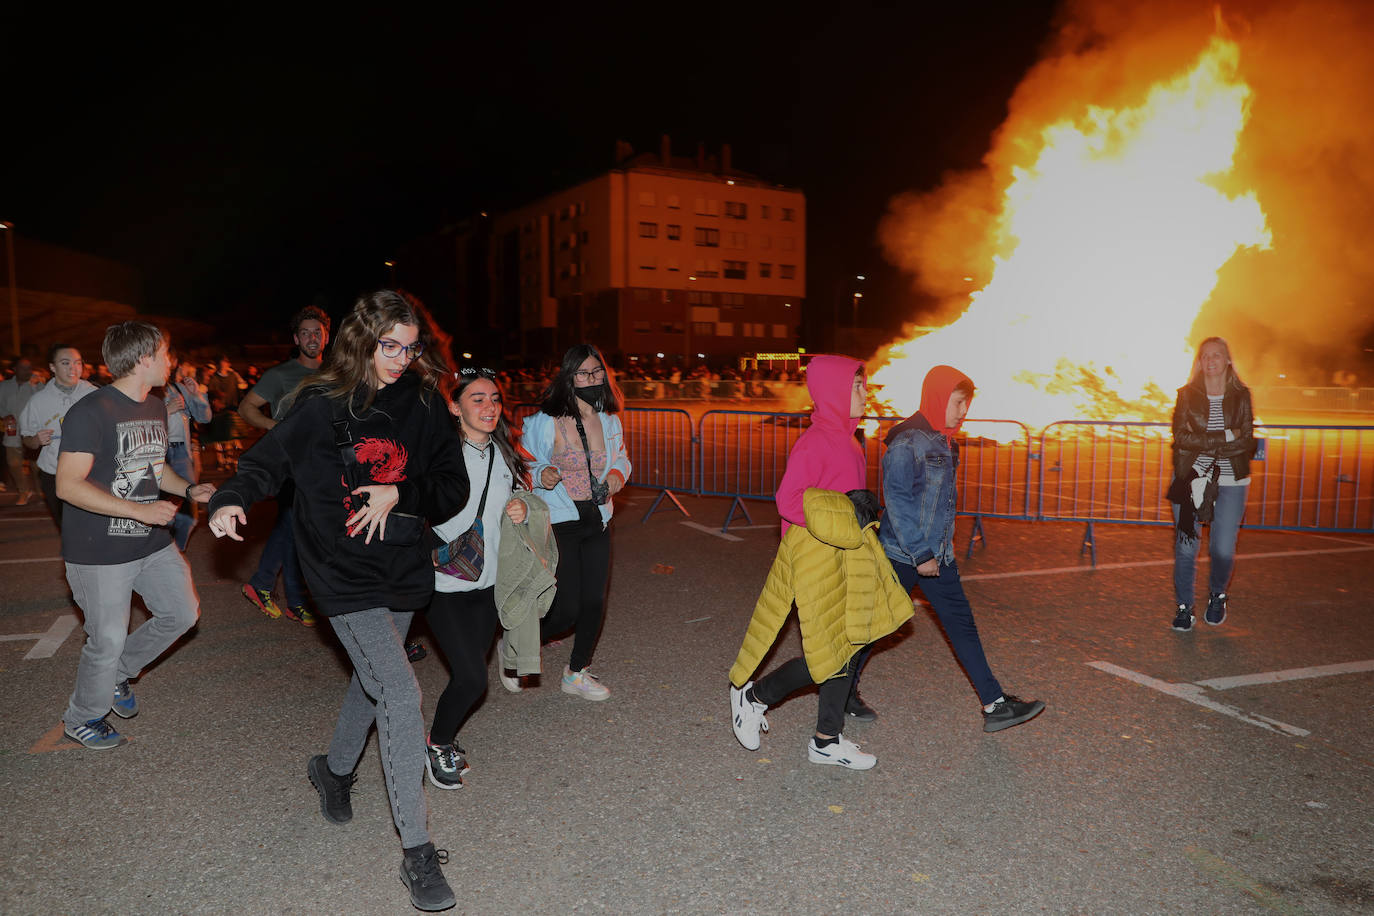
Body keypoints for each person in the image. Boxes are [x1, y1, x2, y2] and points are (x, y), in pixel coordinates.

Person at [207, 290, 468, 912]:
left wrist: (396, 490)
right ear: (362, 340)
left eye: (410, 347)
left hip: (402, 564)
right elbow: (264, 463)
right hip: (338, 570)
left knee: (374, 681)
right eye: (389, 346)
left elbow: (451, 487)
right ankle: (418, 851)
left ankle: (334, 770)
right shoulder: (319, 405)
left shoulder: (426, 404)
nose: (401, 359)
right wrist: (229, 498)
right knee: (402, 691)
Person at [728, 355, 900, 769]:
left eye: (864, 385)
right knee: (831, 654)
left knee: (848, 646)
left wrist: (860, 515)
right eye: (858, 386)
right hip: (816, 560)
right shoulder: (817, 441)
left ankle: (826, 739)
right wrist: (846, 509)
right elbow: (788, 501)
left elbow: (845, 506)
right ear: (835, 393)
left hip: (846, 558)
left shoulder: (850, 441)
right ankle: (754, 697)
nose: (865, 394)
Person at [56, 322, 214, 750]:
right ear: (144, 358)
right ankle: (82, 717)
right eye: (165, 353)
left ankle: (118, 675)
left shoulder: (156, 405)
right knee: (105, 639)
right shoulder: (91, 411)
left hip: (149, 543)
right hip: (100, 550)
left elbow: (152, 466)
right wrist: (139, 510)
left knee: (181, 613)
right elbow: (67, 484)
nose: (171, 359)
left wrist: (188, 489)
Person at [872, 365, 1045, 733]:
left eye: (967, 403)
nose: (963, 411)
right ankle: (839, 694)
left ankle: (995, 705)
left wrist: (940, 550)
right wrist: (921, 554)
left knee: (962, 626)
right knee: (873, 627)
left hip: (938, 556)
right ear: (938, 398)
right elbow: (898, 502)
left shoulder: (947, 440)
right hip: (904, 554)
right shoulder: (907, 442)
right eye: (958, 402)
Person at [422, 367, 531, 790]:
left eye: (494, 399)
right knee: (472, 677)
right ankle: (438, 744)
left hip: (489, 584)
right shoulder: (440, 453)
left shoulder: (504, 452)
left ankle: (442, 736)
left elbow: (517, 493)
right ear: (454, 406)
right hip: (444, 583)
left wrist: (521, 504)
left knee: (470, 674)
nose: (489, 407)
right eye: (477, 398)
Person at [523, 344, 632, 700]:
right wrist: (544, 473)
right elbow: (523, 467)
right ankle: (522, 639)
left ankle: (576, 672)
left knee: (594, 601)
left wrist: (617, 472)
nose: (591, 379)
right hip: (560, 520)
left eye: (596, 372)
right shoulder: (542, 422)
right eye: (582, 373)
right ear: (567, 377)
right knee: (566, 607)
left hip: (597, 518)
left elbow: (623, 459)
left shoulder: (609, 419)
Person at [237, 305, 331, 625]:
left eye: (317, 332)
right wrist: (275, 427)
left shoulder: (334, 373)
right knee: (292, 520)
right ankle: (265, 584)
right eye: (305, 332)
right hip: (291, 461)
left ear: (326, 336)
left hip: (324, 462)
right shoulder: (280, 375)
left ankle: (292, 597)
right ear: (296, 338)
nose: (311, 337)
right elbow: (247, 407)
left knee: (295, 526)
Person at [1167, 337, 1255, 631]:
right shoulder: (1186, 395)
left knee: (1222, 550)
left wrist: (1207, 443)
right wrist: (1225, 437)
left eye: (1217, 355)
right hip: (1190, 478)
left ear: (1228, 360)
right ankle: (1184, 608)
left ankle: (1218, 595)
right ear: (1199, 361)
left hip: (1232, 480)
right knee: (1186, 548)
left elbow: (1244, 442)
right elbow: (1181, 438)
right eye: (1205, 355)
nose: (1210, 360)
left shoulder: (1241, 396)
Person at [20, 345, 99, 530]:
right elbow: (27, 440)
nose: (73, 368)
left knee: (94, 527)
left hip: (92, 473)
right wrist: (36, 440)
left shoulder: (94, 394)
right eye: (65, 363)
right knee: (67, 528)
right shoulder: (38, 401)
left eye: (77, 363)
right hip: (55, 473)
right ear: (52, 367)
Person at [163, 351, 212, 550]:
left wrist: (196, 395)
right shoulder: (145, 390)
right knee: (163, 515)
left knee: (190, 516)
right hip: (158, 454)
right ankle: (163, 555)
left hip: (182, 453)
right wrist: (165, 411)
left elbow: (205, 417)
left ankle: (177, 551)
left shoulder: (179, 389)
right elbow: (135, 423)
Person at [1, 356, 41, 504]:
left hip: (32, 431)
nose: (27, 371)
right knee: (13, 463)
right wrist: (4, 415)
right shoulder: (4, 386)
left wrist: (36, 385)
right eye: (23, 368)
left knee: (36, 466)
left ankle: (39, 492)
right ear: (15, 369)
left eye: (29, 368)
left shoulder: (36, 385)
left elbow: (44, 401)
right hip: (12, 430)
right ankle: (24, 491)